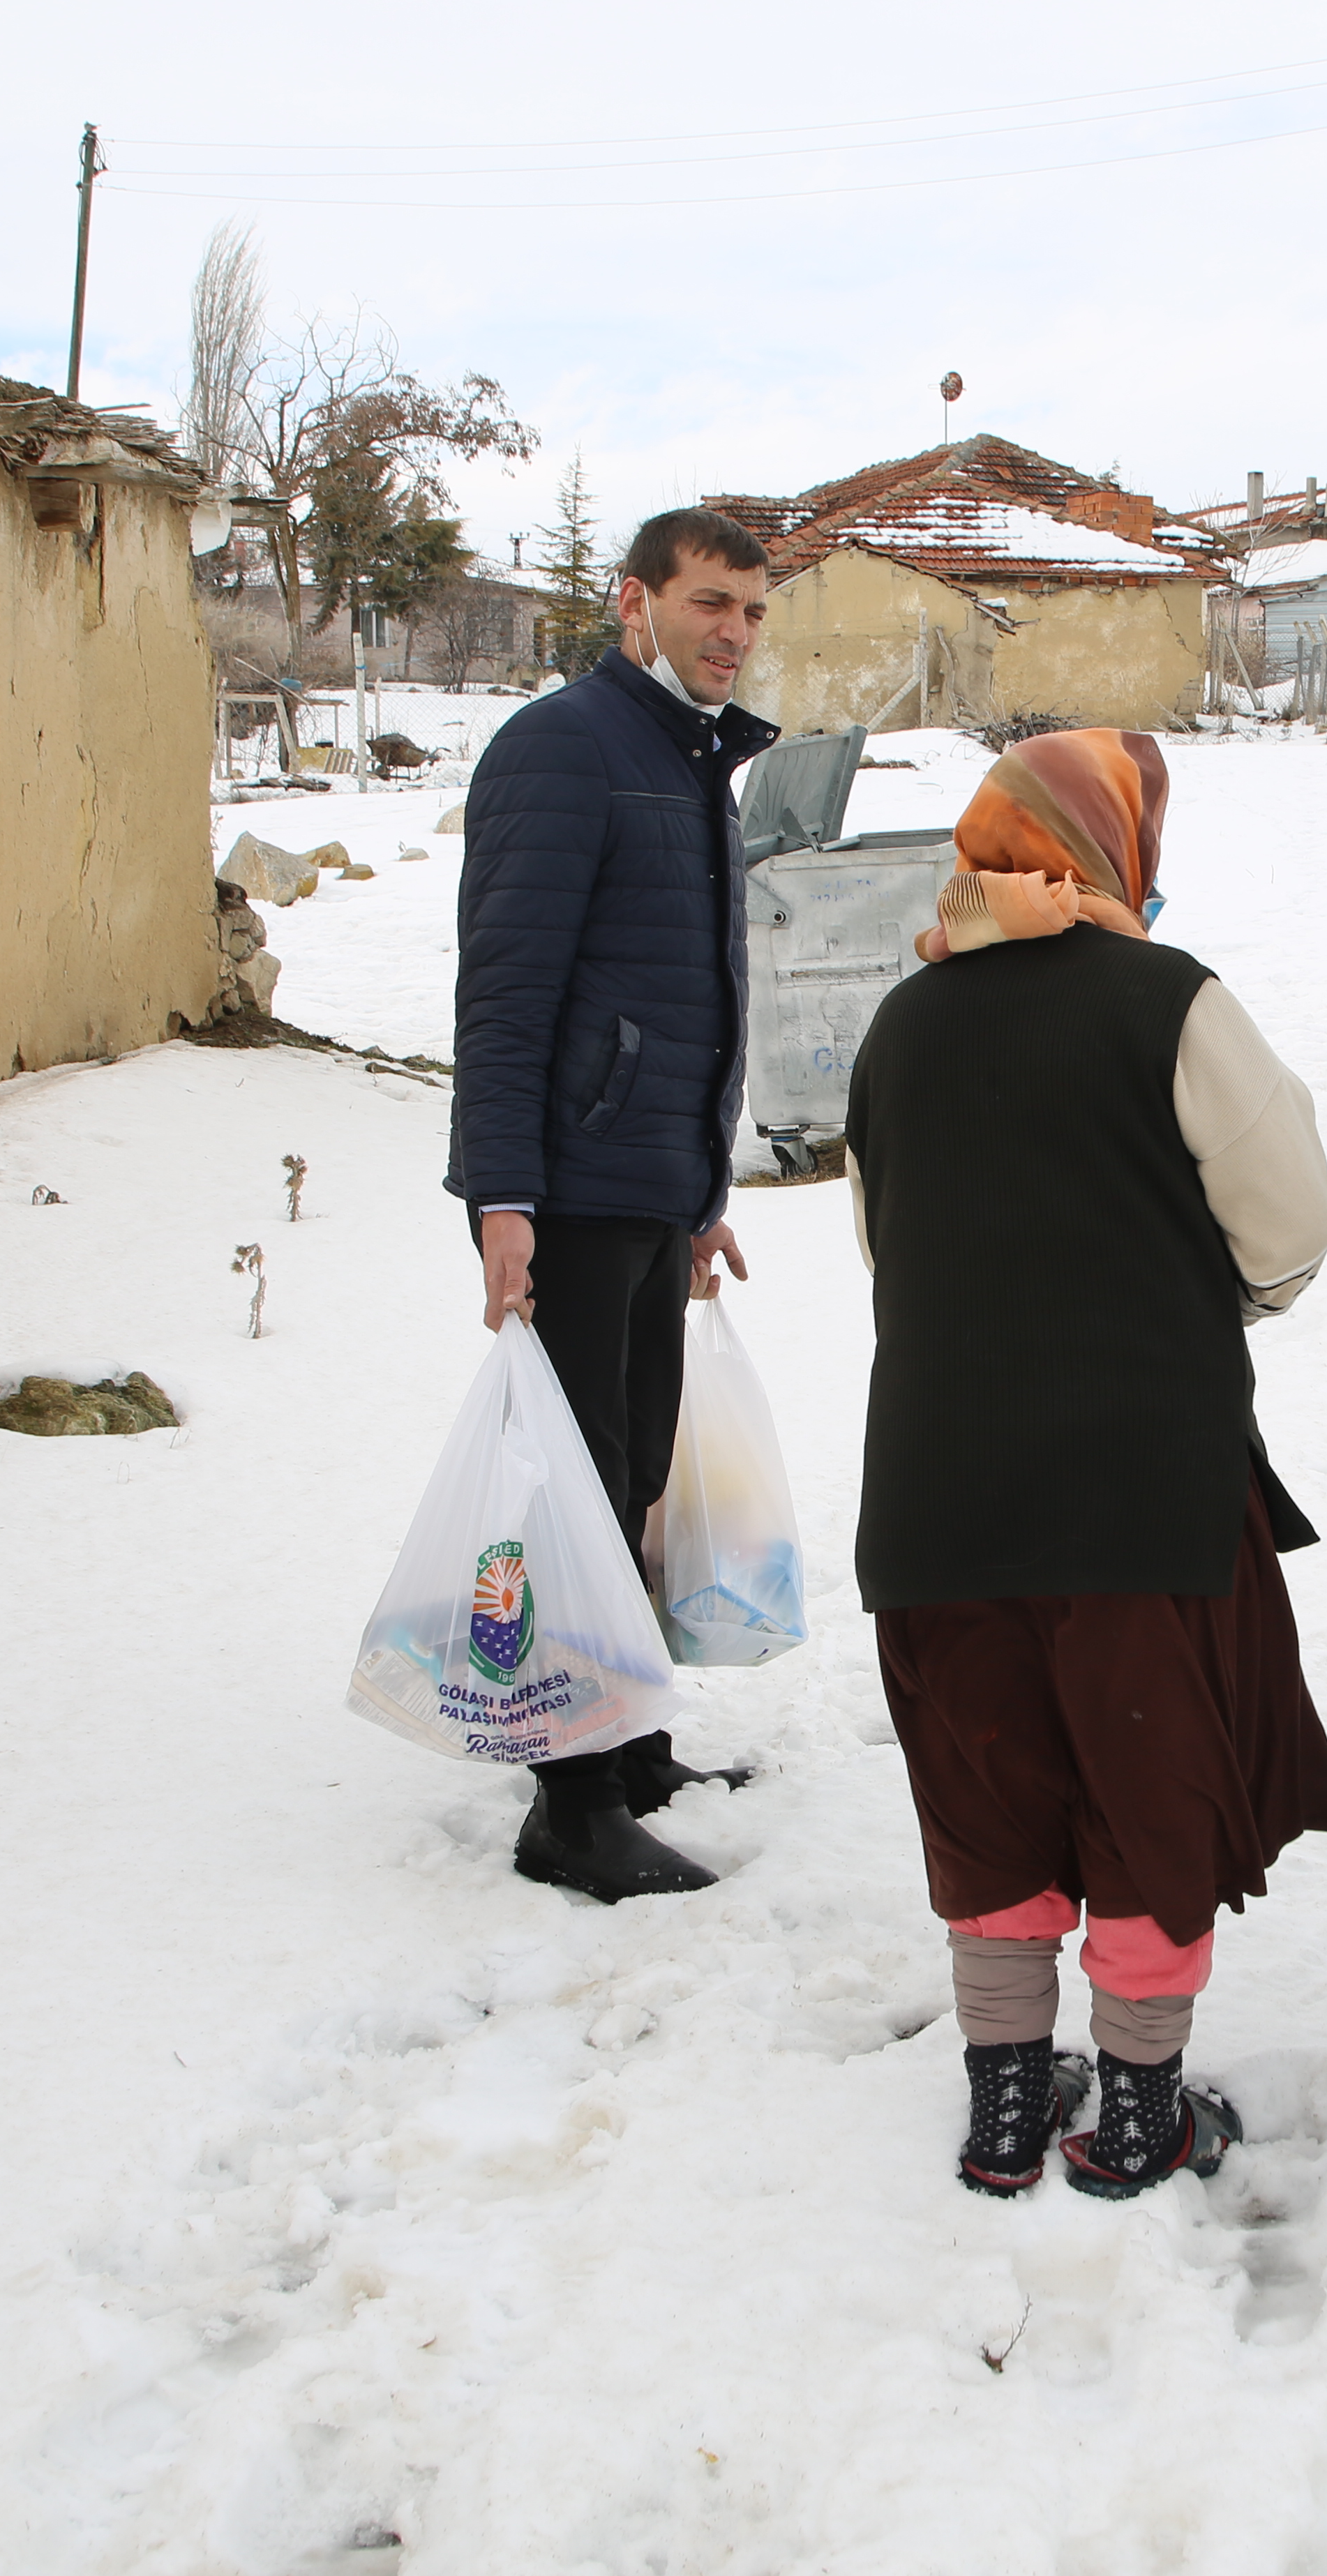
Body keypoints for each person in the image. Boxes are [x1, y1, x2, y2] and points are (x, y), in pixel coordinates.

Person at [843, 728, 1327, 2199]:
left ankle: (1006, 2107)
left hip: (941, 1487)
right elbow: (1290, 1226)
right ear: (1116, 845)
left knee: (986, 1783)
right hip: (1142, 1488)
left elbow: (890, 1250)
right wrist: (1205, 1301)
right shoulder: (1171, 1004)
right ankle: (1136, 2114)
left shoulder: (902, 1021)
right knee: (1147, 1786)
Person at [449, 509, 777, 1904]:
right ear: (633, 601)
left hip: (649, 1191)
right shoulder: (564, 747)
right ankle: (568, 1806)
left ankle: (629, 1746)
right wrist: (501, 1196)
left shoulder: (690, 758)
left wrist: (705, 1189)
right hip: (572, 1194)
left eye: (754, 612)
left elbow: (686, 995)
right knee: (575, 1495)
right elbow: (509, 991)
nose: (733, 633)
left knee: (635, 1479)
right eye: (709, 604)